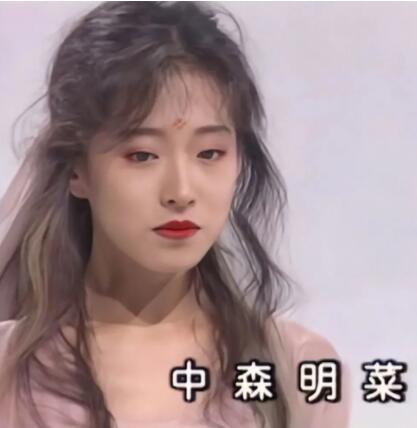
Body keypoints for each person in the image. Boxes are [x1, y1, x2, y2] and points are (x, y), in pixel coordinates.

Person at [0, 2, 351, 428]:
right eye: (142, 155)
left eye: (210, 153)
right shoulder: (10, 373)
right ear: (78, 169)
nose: (181, 192)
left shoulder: (297, 367)